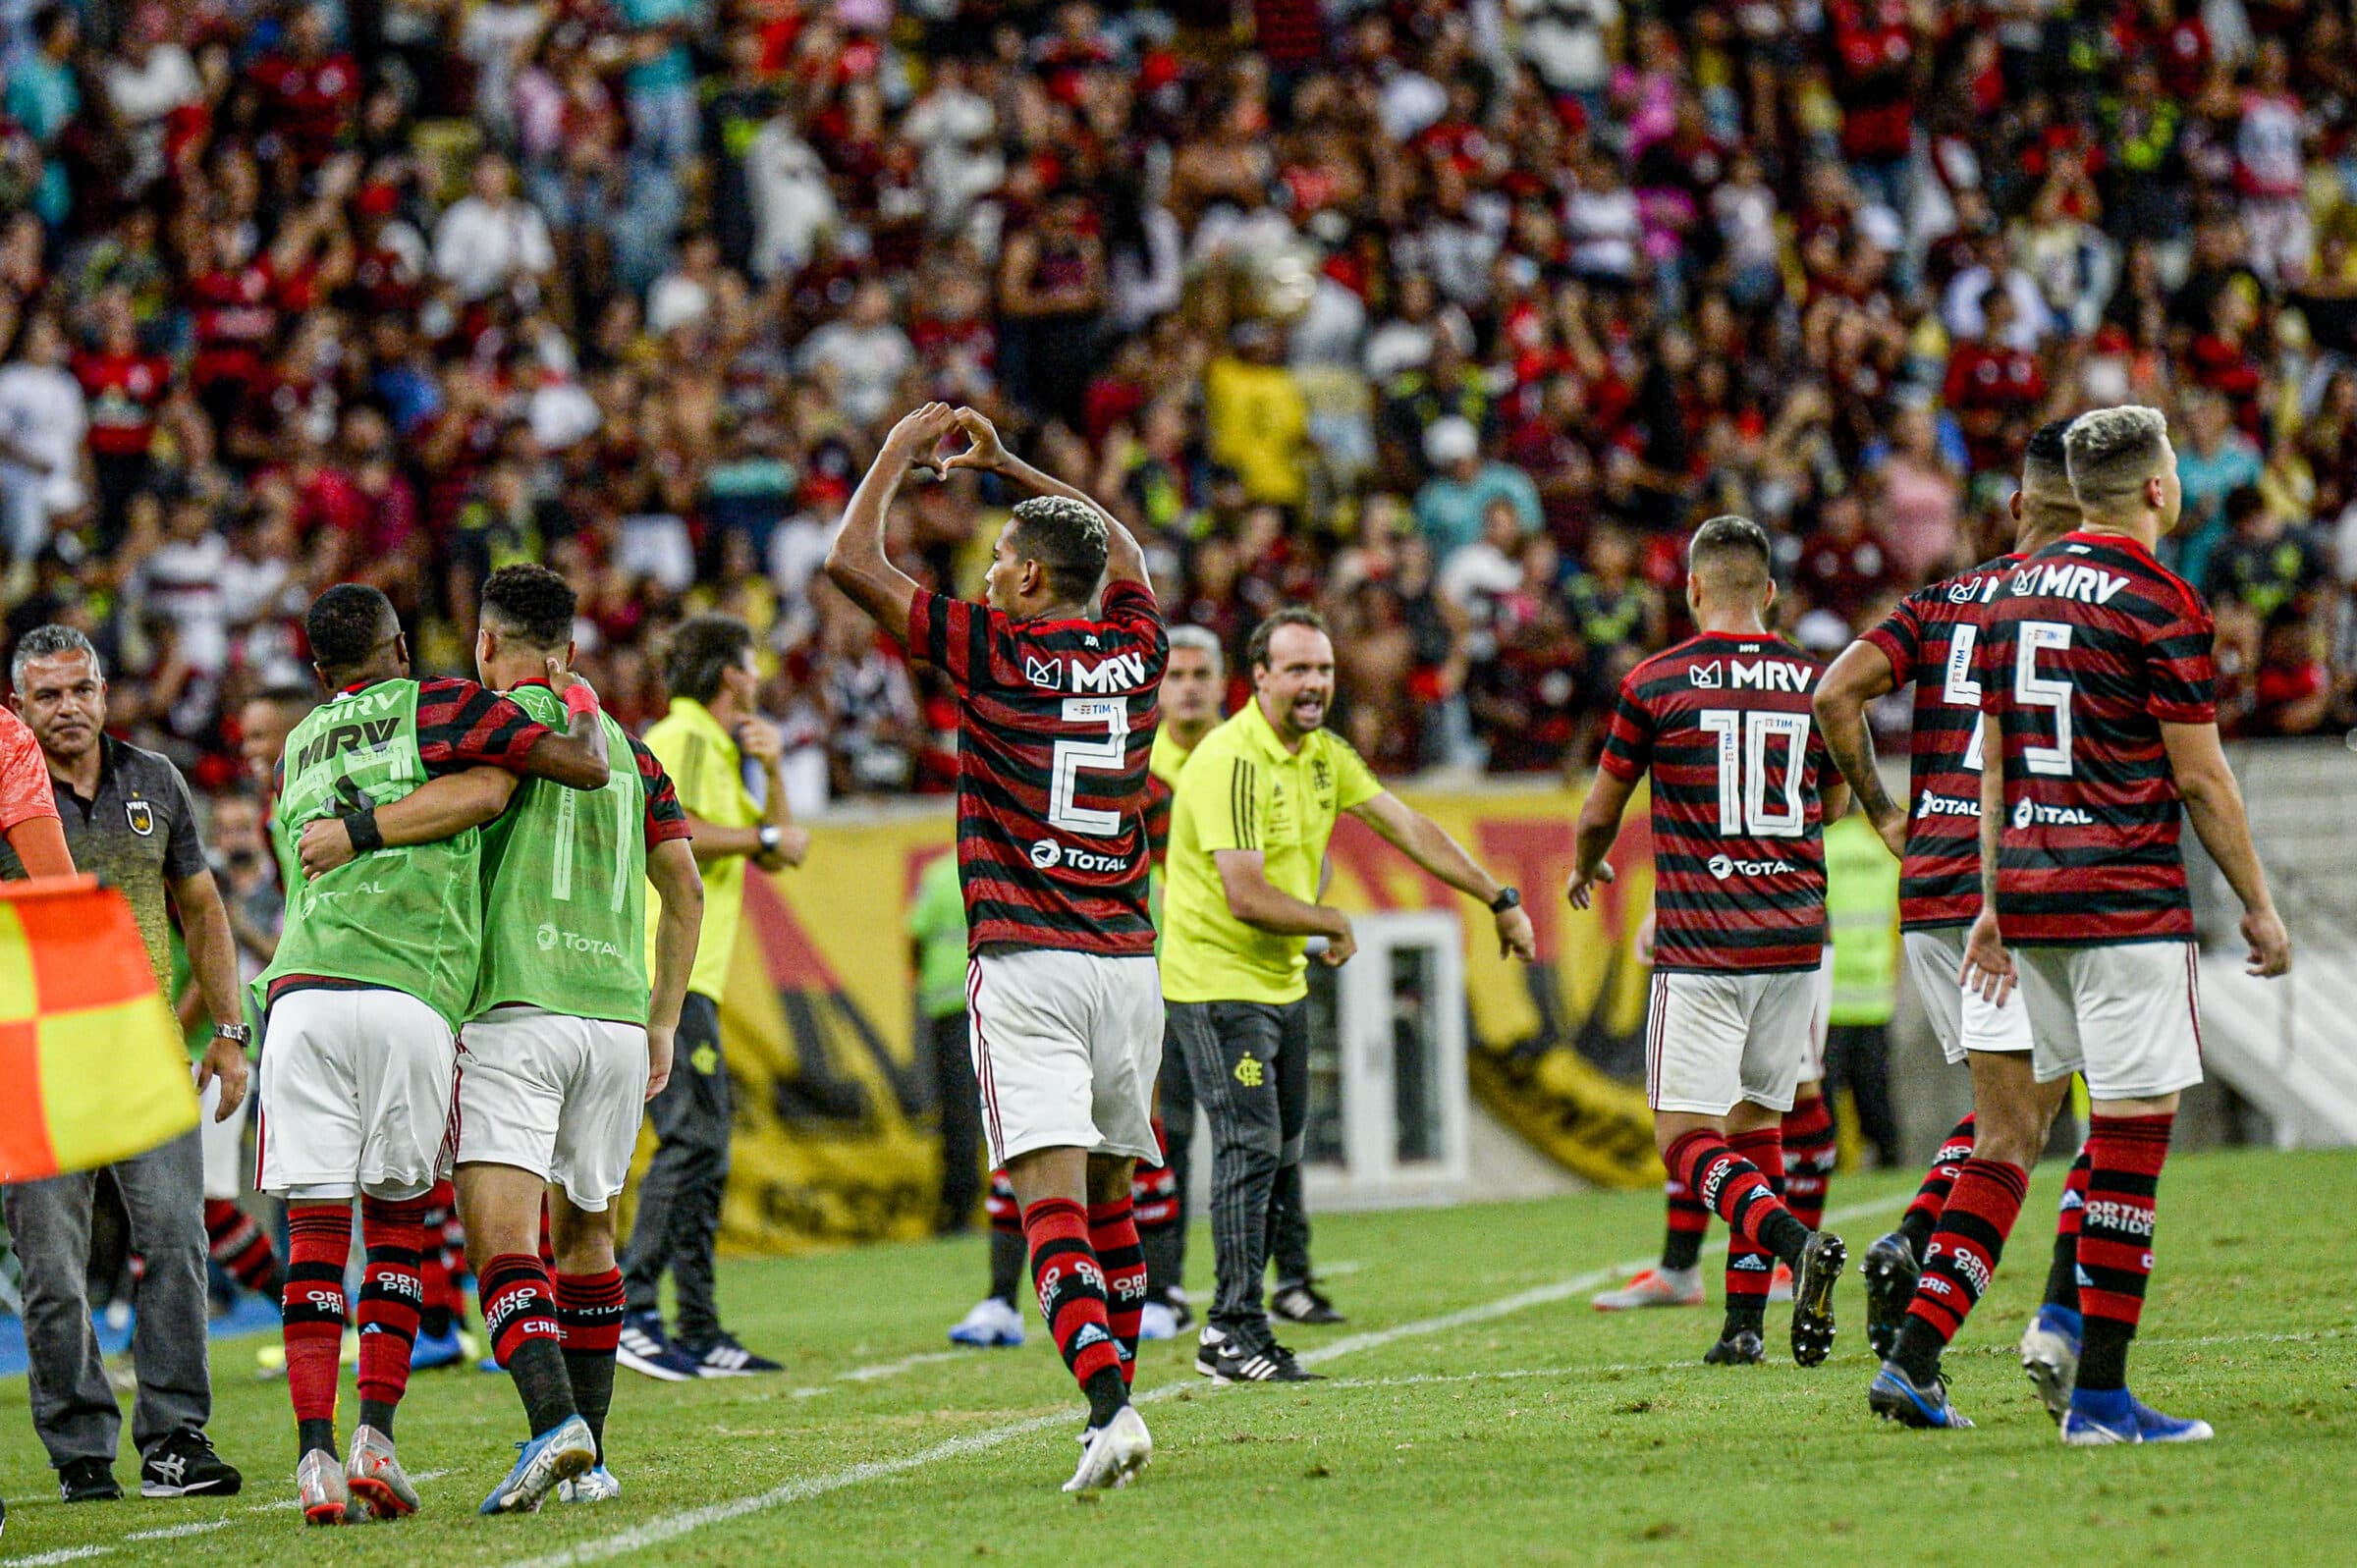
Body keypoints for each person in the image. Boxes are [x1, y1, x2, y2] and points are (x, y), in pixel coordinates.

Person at [303, 565, 702, 1509]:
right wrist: (665, 1020)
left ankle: (552, 1427)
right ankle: (590, 1461)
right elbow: (683, 887)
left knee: (501, 1241)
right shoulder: (631, 750)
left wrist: (362, 832)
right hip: (612, 1016)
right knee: (590, 1232)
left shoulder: (483, 735)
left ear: (486, 644)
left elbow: (470, 805)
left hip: (514, 1008)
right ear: (570, 646)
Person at [827, 401, 1166, 1491]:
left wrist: (897, 450)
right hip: (1127, 962)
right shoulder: (1137, 650)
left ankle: (1109, 1406)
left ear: (1026, 581)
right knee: (1110, 1198)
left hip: (1028, 961)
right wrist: (1015, 465)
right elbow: (1131, 550)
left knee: (1050, 1201)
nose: (983, 573)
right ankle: (1114, 1396)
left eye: (998, 556)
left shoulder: (994, 648)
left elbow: (851, 560)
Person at [1955, 406, 2289, 1442]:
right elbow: (2200, 775)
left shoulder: (2009, 595)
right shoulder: (2158, 598)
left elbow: (1995, 765)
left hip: (2038, 905)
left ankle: (2065, 1333)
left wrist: (1991, 900)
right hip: (2125, 900)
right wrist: (2258, 901)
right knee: (2134, 1144)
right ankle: (2100, 1397)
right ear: (2156, 489)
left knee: (2096, 1137)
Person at [253, 582, 613, 1526]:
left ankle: (314, 1460)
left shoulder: (294, 746)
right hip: (409, 992)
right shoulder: (443, 703)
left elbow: (296, 853)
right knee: (399, 1226)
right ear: (402, 646)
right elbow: (575, 767)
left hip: (300, 992)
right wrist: (572, 691)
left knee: (316, 1237)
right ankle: (376, 1435)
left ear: (319, 670)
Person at [1162, 606, 1537, 1383]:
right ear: (1258, 677)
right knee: (1248, 1146)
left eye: (1324, 670)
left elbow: (1411, 828)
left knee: (1280, 1148)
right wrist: (1328, 917)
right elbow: (1244, 894)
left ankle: (1267, 1302)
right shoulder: (1231, 760)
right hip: (1216, 986)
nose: (1315, 684)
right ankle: (1230, 1328)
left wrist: (1497, 897)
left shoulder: (1326, 755)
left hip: (1279, 984)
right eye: (1297, 669)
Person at [1814, 419, 2083, 1379]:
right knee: (2037, 1114)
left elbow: (1835, 693)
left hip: (1928, 882)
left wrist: (1888, 811)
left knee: (2008, 1104)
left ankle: (1914, 1238)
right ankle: (1952, 1320)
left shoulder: (1940, 601)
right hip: (2024, 882)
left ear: (2014, 506)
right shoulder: (2089, 603)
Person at [1564, 515, 1851, 1369]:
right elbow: (1832, 805)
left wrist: (1587, 868)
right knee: (1759, 1123)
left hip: (1704, 944)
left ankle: (1796, 1245)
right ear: (1769, 593)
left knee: (1686, 1138)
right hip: (1796, 938)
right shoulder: (1813, 678)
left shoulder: (1655, 682)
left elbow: (1598, 813)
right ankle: (1742, 1326)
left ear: (1692, 591)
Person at [1, 625, 247, 1502]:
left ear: (106, 691)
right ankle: (80, 1452)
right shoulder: (4, 792)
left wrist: (229, 1028)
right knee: (53, 1269)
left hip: (145, 1052)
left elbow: (203, 908)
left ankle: (176, 1438)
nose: (67, 709)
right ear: (17, 707)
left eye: (81, 690)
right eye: (46, 696)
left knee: (178, 1244)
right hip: (39, 1064)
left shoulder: (157, 778)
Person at [617, 612, 807, 1382]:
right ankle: (630, 1308)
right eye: (751, 663)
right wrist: (761, 836)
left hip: (701, 977)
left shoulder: (721, 743)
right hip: (669, 971)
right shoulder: (684, 732)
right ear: (733, 673)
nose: (758, 675)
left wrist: (777, 771)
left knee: (709, 1147)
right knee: (693, 1140)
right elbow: (672, 824)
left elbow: (784, 849)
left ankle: (698, 1325)